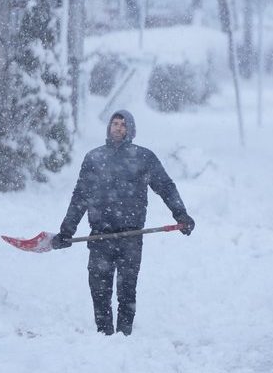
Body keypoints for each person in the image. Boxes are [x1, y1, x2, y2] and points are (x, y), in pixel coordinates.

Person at [53, 110, 195, 336]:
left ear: (131, 129)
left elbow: (165, 186)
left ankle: (124, 337)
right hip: (100, 235)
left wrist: (181, 214)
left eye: (123, 125)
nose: (118, 128)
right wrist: (66, 231)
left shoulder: (143, 157)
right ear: (109, 128)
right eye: (114, 124)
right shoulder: (94, 158)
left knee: (127, 291)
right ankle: (104, 335)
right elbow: (80, 196)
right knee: (99, 289)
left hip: (131, 235)